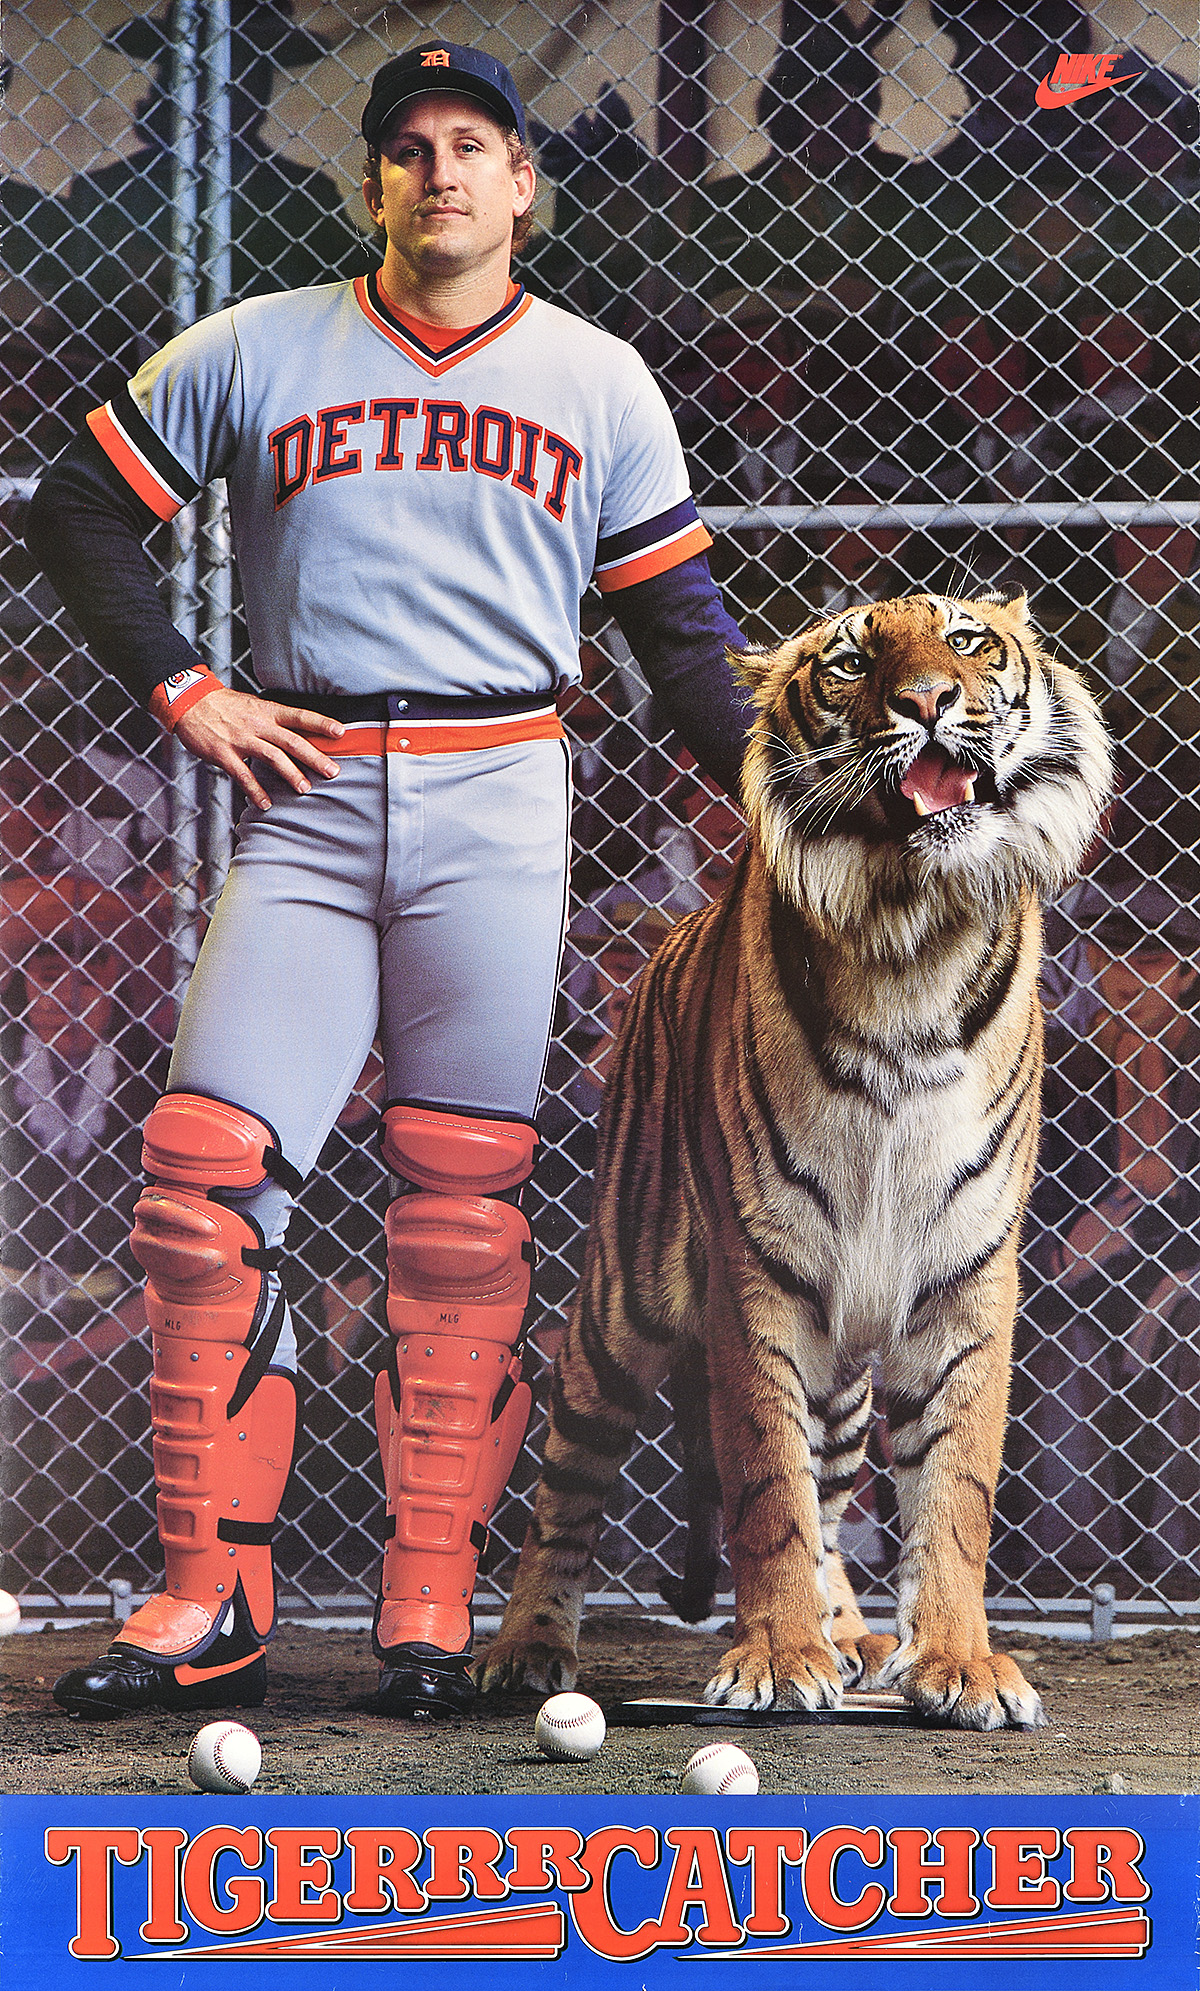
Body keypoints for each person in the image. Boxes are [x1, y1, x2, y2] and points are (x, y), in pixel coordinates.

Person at [26, 40, 752, 1722]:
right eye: (408, 147)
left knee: (461, 1205)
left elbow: (687, 646)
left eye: (472, 145)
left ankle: (432, 1611)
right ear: (375, 183)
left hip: (502, 790)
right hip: (314, 783)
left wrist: (792, 799)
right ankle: (210, 1600)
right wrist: (190, 688)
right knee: (203, 1190)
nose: (439, 171)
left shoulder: (599, 378)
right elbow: (78, 507)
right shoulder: (258, 344)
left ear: (521, 184)